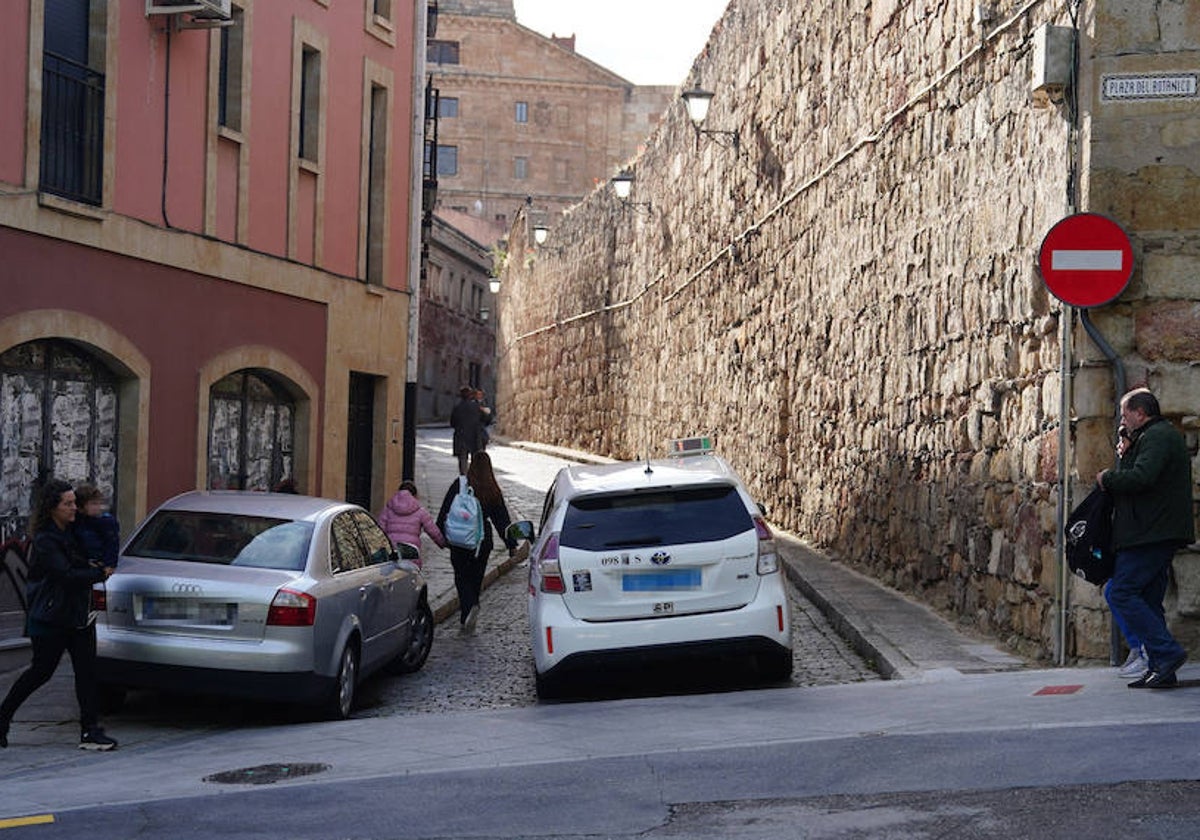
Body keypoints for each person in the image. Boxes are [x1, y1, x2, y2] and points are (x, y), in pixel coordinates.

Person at [0, 479, 118, 750]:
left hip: (78, 615)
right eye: (68, 504)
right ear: (52, 508)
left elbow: (101, 533)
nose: (74, 508)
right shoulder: (45, 540)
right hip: (51, 618)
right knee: (41, 672)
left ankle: (90, 731)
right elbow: (64, 575)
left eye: (75, 502)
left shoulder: (74, 532)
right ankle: (2, 718)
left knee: (87, 673)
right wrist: (98, 573)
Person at [1097, 389, 1195, 689]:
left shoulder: (1158, 437)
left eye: (1126, 415)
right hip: (1150, 531)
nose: (1123, 422)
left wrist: (1106, 478)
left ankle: (1165, 652)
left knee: (1121, 592)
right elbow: (1139, 474)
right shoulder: (1149, 439)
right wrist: (1126, 452)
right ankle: (1161, 667)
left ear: (1141, 413)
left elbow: (1142, 478)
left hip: (1150, 533)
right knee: (1150, 600)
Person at [436, 452, 517, 634]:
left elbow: (445, 511)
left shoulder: (460, 484)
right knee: (476, 577)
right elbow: (502, 519)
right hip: (482, 541)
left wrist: (441, 535)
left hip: (460, 540)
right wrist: (511, 544)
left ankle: (469, 608)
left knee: (461, 576)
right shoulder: (492, 489)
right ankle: (471, 608)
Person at [378, 480, 446, 566]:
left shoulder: (388, 509)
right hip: (410, 554)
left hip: (391, 553)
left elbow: (379, 530)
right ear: (415, 495)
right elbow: (433, 531)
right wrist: (443, 543)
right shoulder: (420, 511)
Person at [74, 483, 120, 572]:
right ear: (81, 507)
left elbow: (112, 544)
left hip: (99, 563)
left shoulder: (106, 522)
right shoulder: (76, 522)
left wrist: (109, 564)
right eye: (93, 504)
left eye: (99, 503)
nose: (98, 507)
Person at [450, 386, 486, 474]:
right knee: (475, 459)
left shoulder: (457, 408)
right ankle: (474, 478)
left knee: (463, 462)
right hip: (474, 437)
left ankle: (464, 480)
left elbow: (452, 423)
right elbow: (485, 419)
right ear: (470, 395)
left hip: (461, 437)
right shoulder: (476, 407)